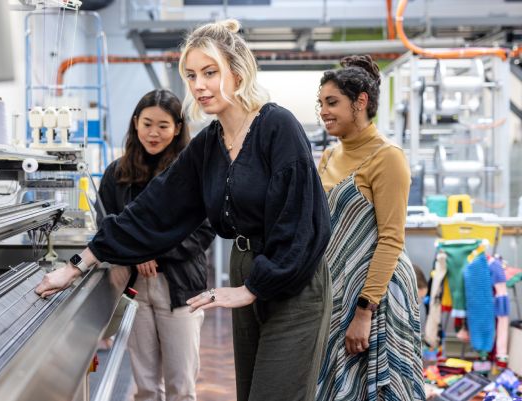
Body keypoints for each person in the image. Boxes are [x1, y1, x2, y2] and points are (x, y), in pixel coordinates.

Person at [37, 19, 332, 401]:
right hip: (249, 269)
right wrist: (78, 263)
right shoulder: (210, 144)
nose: (198, 85)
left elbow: (305, 223)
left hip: (293, 278)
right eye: (191, 75)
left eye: (210, 72)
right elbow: (153, 208)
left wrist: (254, 287)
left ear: (238, 73)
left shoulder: (277, 127)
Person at [314, 55, 424, 401]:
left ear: (360, 102)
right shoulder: (329, 157)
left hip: (377, 297)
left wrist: (364, 311)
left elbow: (391, 239)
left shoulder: (388, 157)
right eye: (321, 103)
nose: (323, 111)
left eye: (332, 102)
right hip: (336, 290)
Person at [97, 89, 215, 401]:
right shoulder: (116, 174)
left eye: (163, 126)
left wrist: (152, 252)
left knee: (181, 386)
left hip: (179, 286)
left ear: (177, 128)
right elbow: (106, 224)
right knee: (146, 386)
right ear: (135, 123)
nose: (153, 132)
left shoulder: (193, 171)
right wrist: (134, 256)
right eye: (147, 123)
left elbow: (204, 229)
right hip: (134, 287)